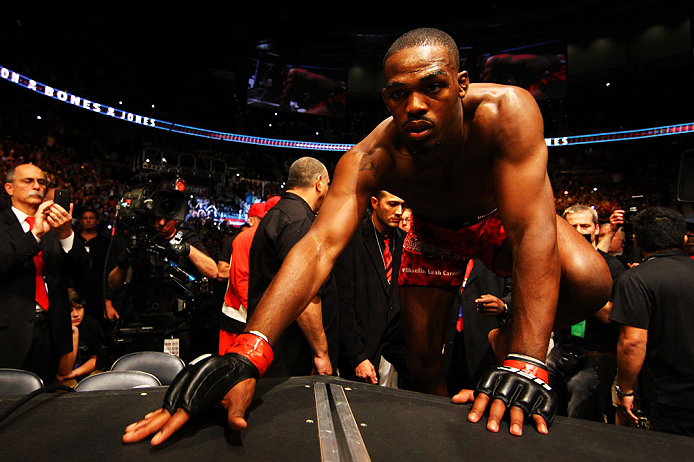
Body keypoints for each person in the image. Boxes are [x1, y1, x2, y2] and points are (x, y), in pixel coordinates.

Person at [123, 28, 611, 445]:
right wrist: (250, 349)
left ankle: (512, 339)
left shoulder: (508, 111)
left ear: (462, 85)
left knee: (592, 282)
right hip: (432, 232)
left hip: (498, 218)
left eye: (432, 87)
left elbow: (531, 233)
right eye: (399, 93)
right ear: (386, 99)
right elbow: (316, 248)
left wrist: (527, 359)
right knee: (421, 365)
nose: (415, 105)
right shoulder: (371, 159)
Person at [246, 157, 338, 378]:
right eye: (327, 184)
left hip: (272, 344)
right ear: (318, 183)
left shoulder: (277, 214)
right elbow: (303, 296)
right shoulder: (298, 221)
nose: (327, 191)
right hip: (288, 353)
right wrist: (321, 352)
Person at [0, 163, 90, 384]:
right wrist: (35, 235)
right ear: (9, 188)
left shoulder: (56, 227)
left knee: (44, 406)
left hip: (52, 332)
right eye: (28, 181)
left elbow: (84, 271)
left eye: (41, 182)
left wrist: (66, 234)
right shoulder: (3, 225)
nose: (37, 186)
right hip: (8, 334)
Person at [610, 206, 694, 436]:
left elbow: (632, 343)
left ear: (636, 241)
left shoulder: (636, 279)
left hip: (671, 399)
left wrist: (625, 391)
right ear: (684, 237)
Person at [546, 205, 625, 422]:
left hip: (594, 356)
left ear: (597, 228)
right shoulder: (552, 263)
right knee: (547, 416)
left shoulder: (612, 266)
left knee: (579, 424)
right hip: (560, 353)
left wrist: (580, 284)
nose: (579, 230)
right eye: (573, 226)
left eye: (585, 225)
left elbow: (610, 314)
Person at [107, 210, 218, 362]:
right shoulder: (138, 242)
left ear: (176, 220)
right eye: (157, 219)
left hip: (176, 326)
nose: (160, 224)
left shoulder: (188, 239)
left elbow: (213, 272)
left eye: (166, 220)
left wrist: (188, 250)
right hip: (141, 325)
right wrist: (124, 261)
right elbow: (113, 284)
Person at [334, 190, 409, 387]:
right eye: (392, 204)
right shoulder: (352, 237)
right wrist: (357, 356)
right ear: (375, 203)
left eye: (402, 205)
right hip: (361, 343)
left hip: (396, 341)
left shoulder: (405, 241)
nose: (400, 212)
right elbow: (343, 303)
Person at [218, 199, 279, 354]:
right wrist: (258, 314)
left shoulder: (274, 237)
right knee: (233, 366)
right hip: (239, 315)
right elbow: (241, 279)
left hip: (257, 313)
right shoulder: (246, 238)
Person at [56, 288, 104, 382]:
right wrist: (74, 333)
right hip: (60, 375)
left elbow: (95, 359)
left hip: (85, 372)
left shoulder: (92, 325)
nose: (75, 314)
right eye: (70, 310)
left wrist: (75, 373)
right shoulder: (55, 328)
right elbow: (63, 372)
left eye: (79, 308)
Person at [75, 208, 111, 322]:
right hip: (77, 288)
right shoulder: (74, 240)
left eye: (91, 218)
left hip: (98, 291)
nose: (88, 221)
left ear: (97, 221)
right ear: (81, 221)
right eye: (85, 218)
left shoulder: (105, 242)